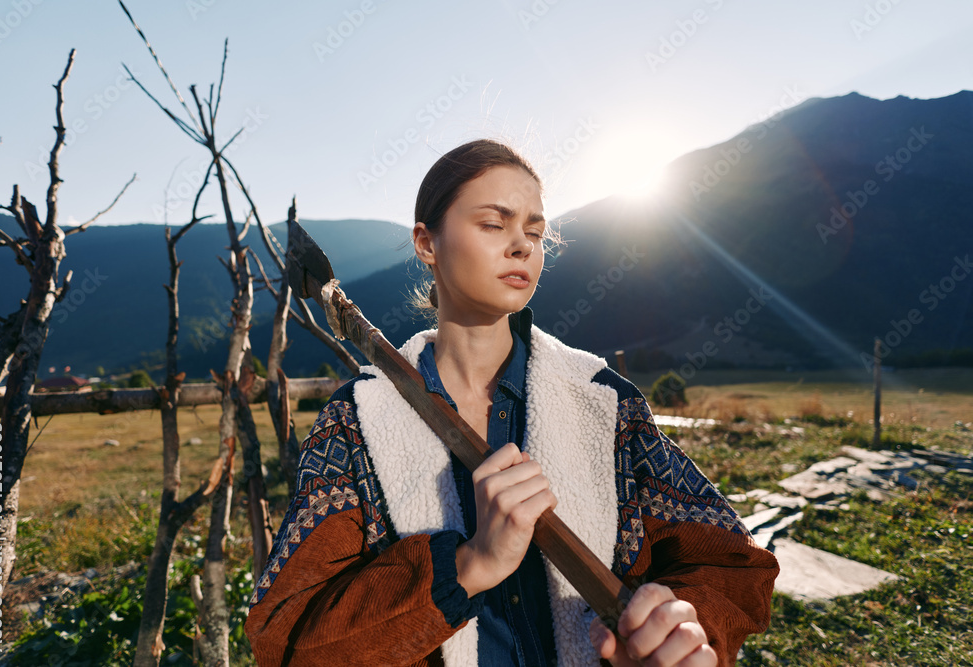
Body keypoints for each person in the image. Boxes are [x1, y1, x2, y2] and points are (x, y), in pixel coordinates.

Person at [245, 139, 779, 666]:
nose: (523, 246)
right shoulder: (356, 423)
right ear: (427, 244)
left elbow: (732, 567)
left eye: (535, 232)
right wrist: (469, 565)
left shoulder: (603, 404)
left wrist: (681, 628)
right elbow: (286, 640)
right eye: (493, 224)